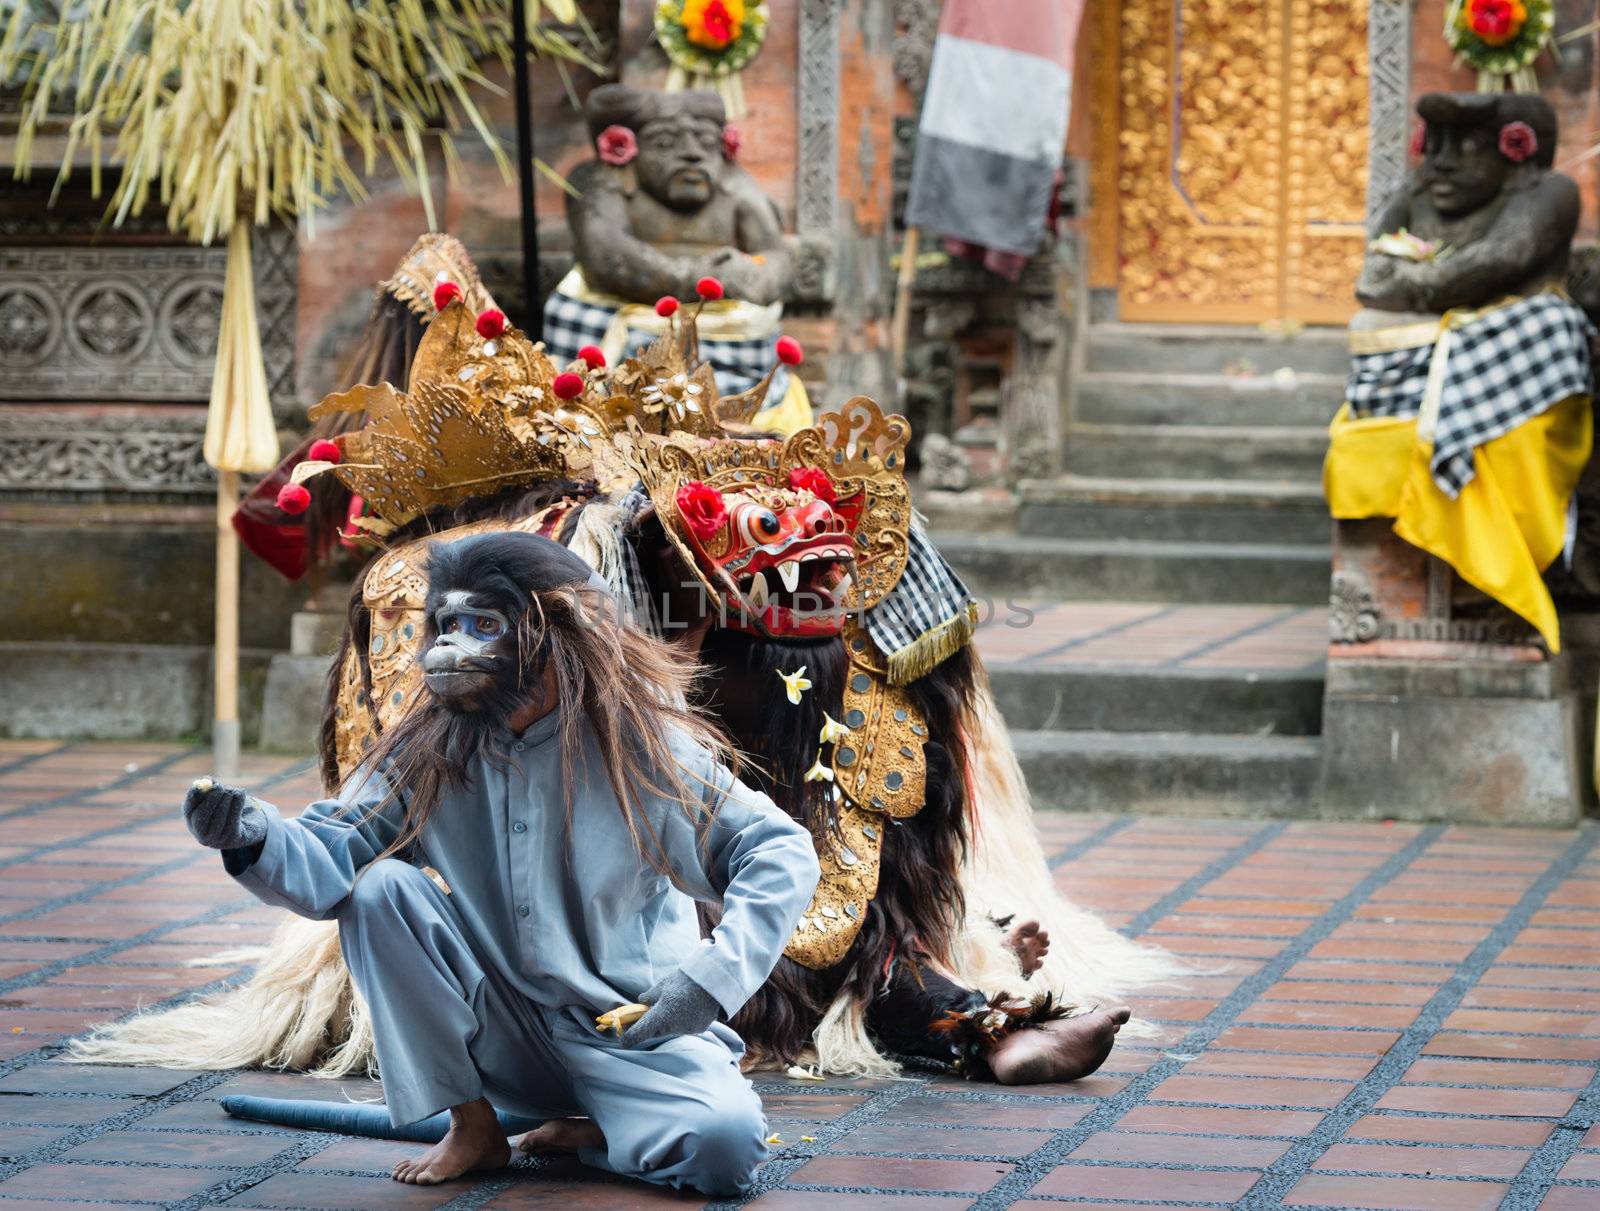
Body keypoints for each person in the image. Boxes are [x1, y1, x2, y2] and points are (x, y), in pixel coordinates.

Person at [177, 531, 820, 1193]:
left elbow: (780, 850)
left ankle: (600, 1130)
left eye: (483, 624)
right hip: (498, 1033)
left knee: (727, 1149)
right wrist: (249, 833)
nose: (454, 646)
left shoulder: (642, 749)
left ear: (553, 633)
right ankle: (474, 1124)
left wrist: (708, 982)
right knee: (379, 890)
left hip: (627, 1033)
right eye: (447, 623)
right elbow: (326, 858)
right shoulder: (427, 749)